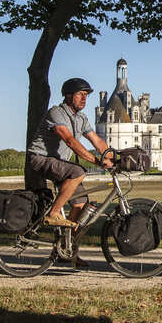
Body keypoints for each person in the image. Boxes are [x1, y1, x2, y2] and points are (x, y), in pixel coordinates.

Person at [26, 78, 114, 236]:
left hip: (60, 163)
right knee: (78, 171)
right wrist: (97, 161)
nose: (84, 98)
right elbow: (70, 141)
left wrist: (115, 158)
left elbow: (97, 141)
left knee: (81, 205)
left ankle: (67, 249)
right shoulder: (56, 113)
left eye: (86, 95)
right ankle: (53, 212)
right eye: (80, 94)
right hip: (40, 159)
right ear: (68, 96)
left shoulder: (81, 119)